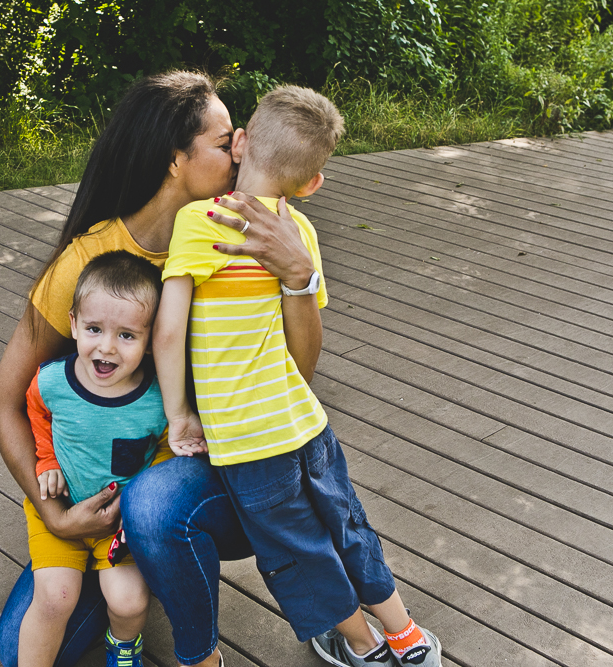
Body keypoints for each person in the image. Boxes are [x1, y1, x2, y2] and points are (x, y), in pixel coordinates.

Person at [0, 70, 322, 667]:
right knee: (20, 653)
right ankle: (127, 560)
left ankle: (310, 601)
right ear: (175, 161)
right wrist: (53, 514)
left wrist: (300, 276)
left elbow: (301, 370)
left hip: (218, 464)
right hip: (98, 492)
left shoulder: (247, 235)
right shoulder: (90, 261)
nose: (241, 148)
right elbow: (5, 401)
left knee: (155, 505)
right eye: (224, 143)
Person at [153, 85, 443, 667]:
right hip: (307, 424)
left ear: (239, 144)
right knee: (347, 524)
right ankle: (406, 634)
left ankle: (362, 646)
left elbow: (167, 331)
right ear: (312, 183)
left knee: (298, 550)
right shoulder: (300, 235)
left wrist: (180, 414)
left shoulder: (198, 221)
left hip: (247, 440)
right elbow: (303, 337)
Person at [23, 251, 171, 667]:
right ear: (73, 323)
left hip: (119, 523)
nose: (106, 347)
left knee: (128, 602)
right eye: (93, 329)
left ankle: (123, 649)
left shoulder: (158, 399)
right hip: (61, 511)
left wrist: (140, 498)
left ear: (150, 337)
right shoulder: (52, 381)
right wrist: (46, 461)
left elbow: (164, 448)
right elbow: (35, 412)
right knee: (55, 599)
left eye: (127, 335)